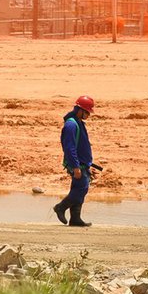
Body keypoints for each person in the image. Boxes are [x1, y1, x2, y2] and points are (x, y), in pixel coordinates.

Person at [53, 96, 97, 227]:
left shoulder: (78, 122)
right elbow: (69, 147)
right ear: (80, 110)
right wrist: (76, 167)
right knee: (81, 189)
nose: (88, 115)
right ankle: (60, 207)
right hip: (77, 165)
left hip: (83, 164)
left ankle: (75, 219)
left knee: (79, 189)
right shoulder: (71, 124)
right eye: (87, 112)